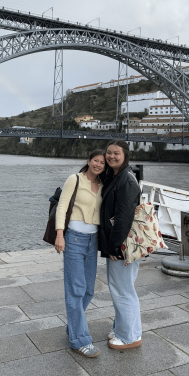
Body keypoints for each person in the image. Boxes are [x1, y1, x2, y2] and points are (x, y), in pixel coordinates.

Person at [55, 150, 106, 358]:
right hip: (74, 238)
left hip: (93, 242)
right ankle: (80, 340)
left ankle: (74, 325)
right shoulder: (74, 179)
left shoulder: (103, 185)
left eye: (102, 162)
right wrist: (60, 234)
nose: (99, 165)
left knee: (88, 290)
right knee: (75, 290)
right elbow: (62, 207)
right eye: (96, 160)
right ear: (88, 161)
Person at [99, 140, 142, 350]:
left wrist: (116, 247)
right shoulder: (118, 177)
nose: (111, 156)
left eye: (116, 153)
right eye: (108, 153)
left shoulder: (126, 180)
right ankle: (121, 328)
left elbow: (124, 218)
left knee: (123, 290)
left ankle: (129, 337)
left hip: (122, 247)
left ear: (125, 155)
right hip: (120, 245)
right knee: (122, 289)